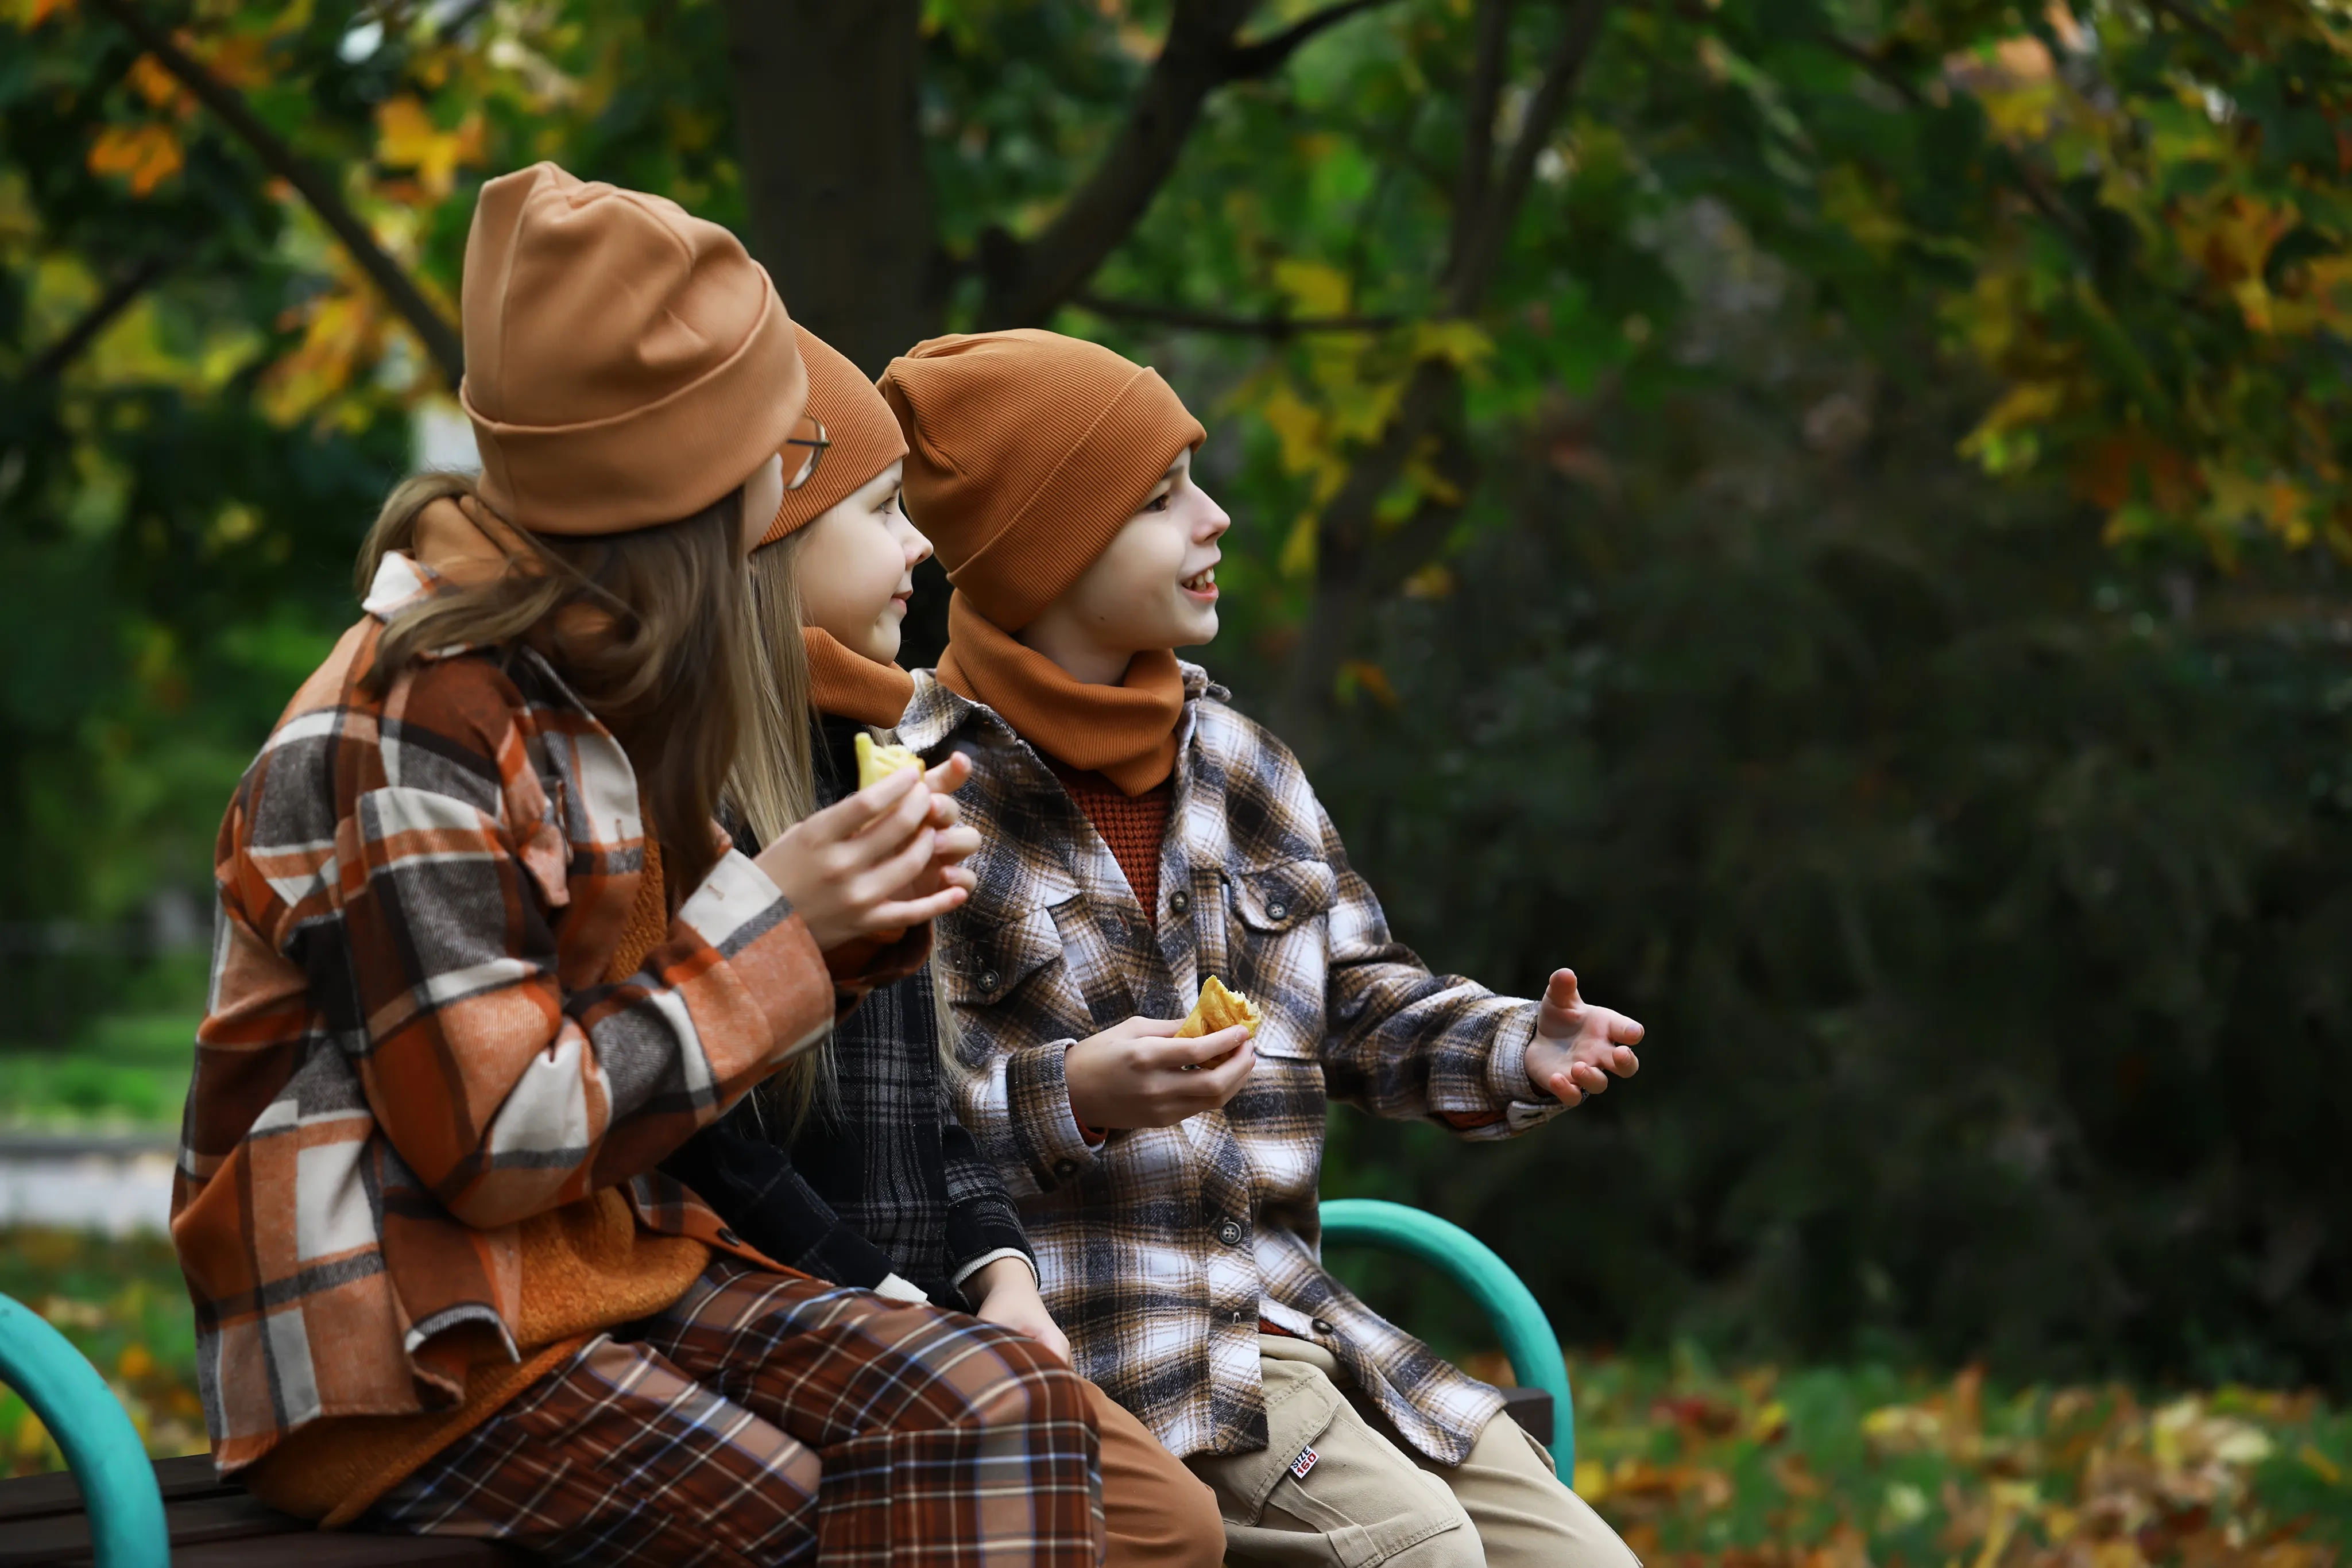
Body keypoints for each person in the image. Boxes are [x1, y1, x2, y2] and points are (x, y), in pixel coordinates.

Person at [171, 167, 1105, 1566]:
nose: (792, 490)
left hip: (604, 1276)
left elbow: (686, 1016)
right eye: (779, 457)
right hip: (406, 1350)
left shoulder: (602, 689)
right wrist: (788, 926)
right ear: (685, 485)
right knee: (801, 1520)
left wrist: (851, 923)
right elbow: (497, 1144)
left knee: (1003, 1404)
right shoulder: (413, 721)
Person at [877, 328, 1648, 1567]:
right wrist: (1069, 1097)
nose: (1216, 517)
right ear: (1050, 546)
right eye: (1161, 497)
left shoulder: (1237, 765)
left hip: (1293, 1321)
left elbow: (1359, 1001)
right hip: (1108, 1348)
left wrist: (1514, 1043)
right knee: (1412, 1555)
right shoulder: (912, 789)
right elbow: (881, 1124)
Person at [660, 323, 1224, 1568]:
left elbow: (928, 1109)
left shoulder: (886, 764)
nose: (922, 547)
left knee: (1167, 1528)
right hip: (805, 1309)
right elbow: (715, 1149)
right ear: (772, 543)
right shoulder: (692, 797)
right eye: (879, 511)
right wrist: (892, 1293)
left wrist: (1002, 1277)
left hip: (944, 1309)